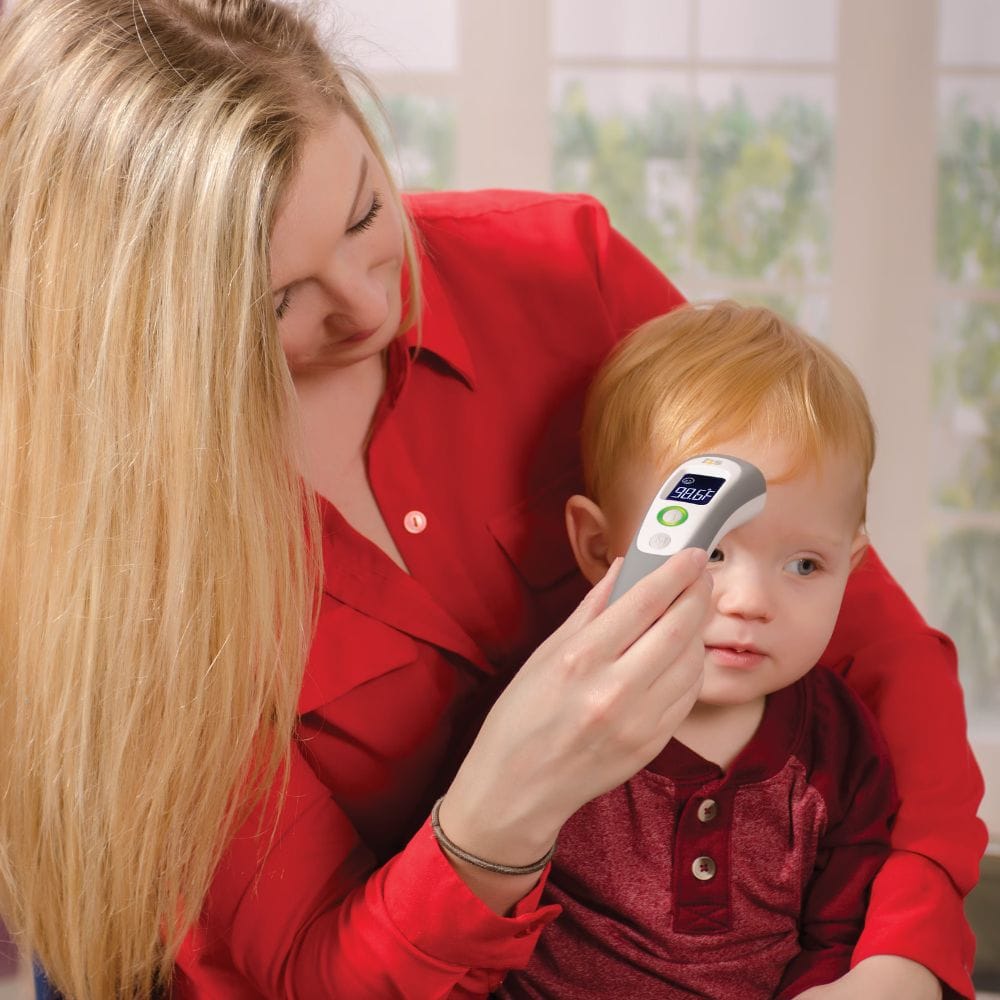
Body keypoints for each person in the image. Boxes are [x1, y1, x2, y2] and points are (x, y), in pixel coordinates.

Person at [0, 1, 984, 998]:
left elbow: (875, 650)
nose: (371, 306)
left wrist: (901, 953)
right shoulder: (108, 561)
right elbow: (311, 972)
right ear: (138, 317)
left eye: (364, 215)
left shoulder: (563, 278)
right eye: (277, 302)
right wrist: (497, 814)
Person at [499, 301, 898, 998]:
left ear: (852, 563)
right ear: (600, 548)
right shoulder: (552, 710)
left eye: (805, 565)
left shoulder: (839, 745)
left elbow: (840, 938)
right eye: (712, 551)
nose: (750, 601)